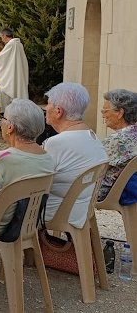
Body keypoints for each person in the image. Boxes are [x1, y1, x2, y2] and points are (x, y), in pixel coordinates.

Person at [0, 98, 54, 236]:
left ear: (10, 127)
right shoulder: (47, 158)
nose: (1, 122)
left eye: (3, 118)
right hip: (25, 226)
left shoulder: (2, 159)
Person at [42, 82, 107, 227]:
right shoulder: (92, 137)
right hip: (81, 210)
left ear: (58, 111)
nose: (45, 108)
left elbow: (34, 180)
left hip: (57, 213)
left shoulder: (56, 143)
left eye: (48, 103)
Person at [98, 89, 137, 201]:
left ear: (120, 113)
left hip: (109, 194)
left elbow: (93, 169)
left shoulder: (116, 140)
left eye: (105, 111)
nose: (103, 116)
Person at [0, 28, 29, 112]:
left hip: (10, 78)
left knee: (7, 99)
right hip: (17, 75)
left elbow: (0, 59)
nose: (1, 39)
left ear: (4, 35)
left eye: (1, 37)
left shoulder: (11, 45)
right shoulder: (19, 44)